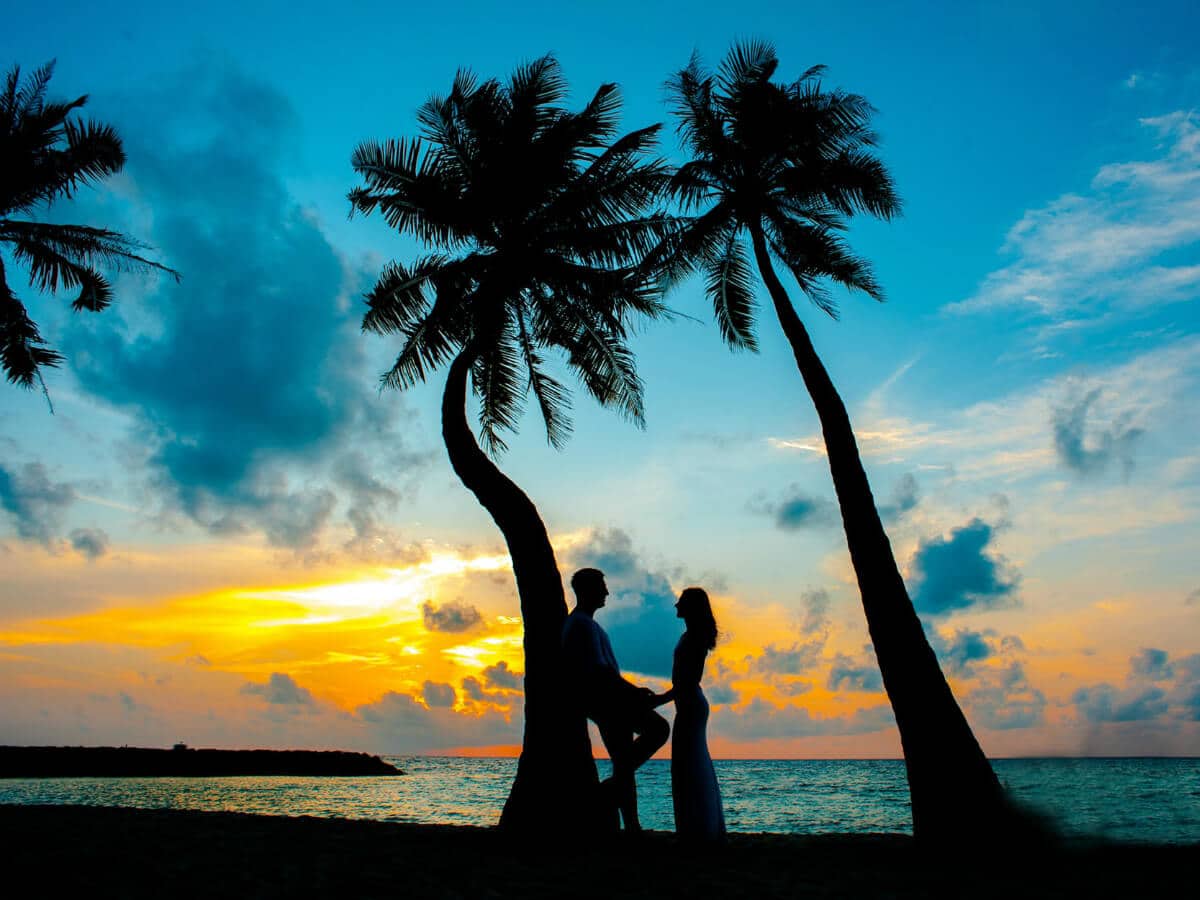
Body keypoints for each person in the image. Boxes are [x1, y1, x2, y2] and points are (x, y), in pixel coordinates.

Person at [562, 567, 669, 832]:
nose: (607, 591)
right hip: (608, 703)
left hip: (609, 701)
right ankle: (602, 800)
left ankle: (630, 823)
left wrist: (631, 692)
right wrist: (633, 692)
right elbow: (599, 671)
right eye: (601, 586)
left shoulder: (587, 624)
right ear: (588, 590)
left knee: (624, 761)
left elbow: (604, 671)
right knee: (657, 730)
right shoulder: (581, 624)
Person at [653, 587, 726, 842]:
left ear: (691, 606)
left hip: (690, 705)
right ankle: (700, 827)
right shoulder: (692, 635)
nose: (675, 605)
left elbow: (689, 680)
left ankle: (698, 830)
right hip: (689, 704)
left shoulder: (693, 637)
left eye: (681, 602)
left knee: (688, 765)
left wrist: (660, 699)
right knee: (690, 764)